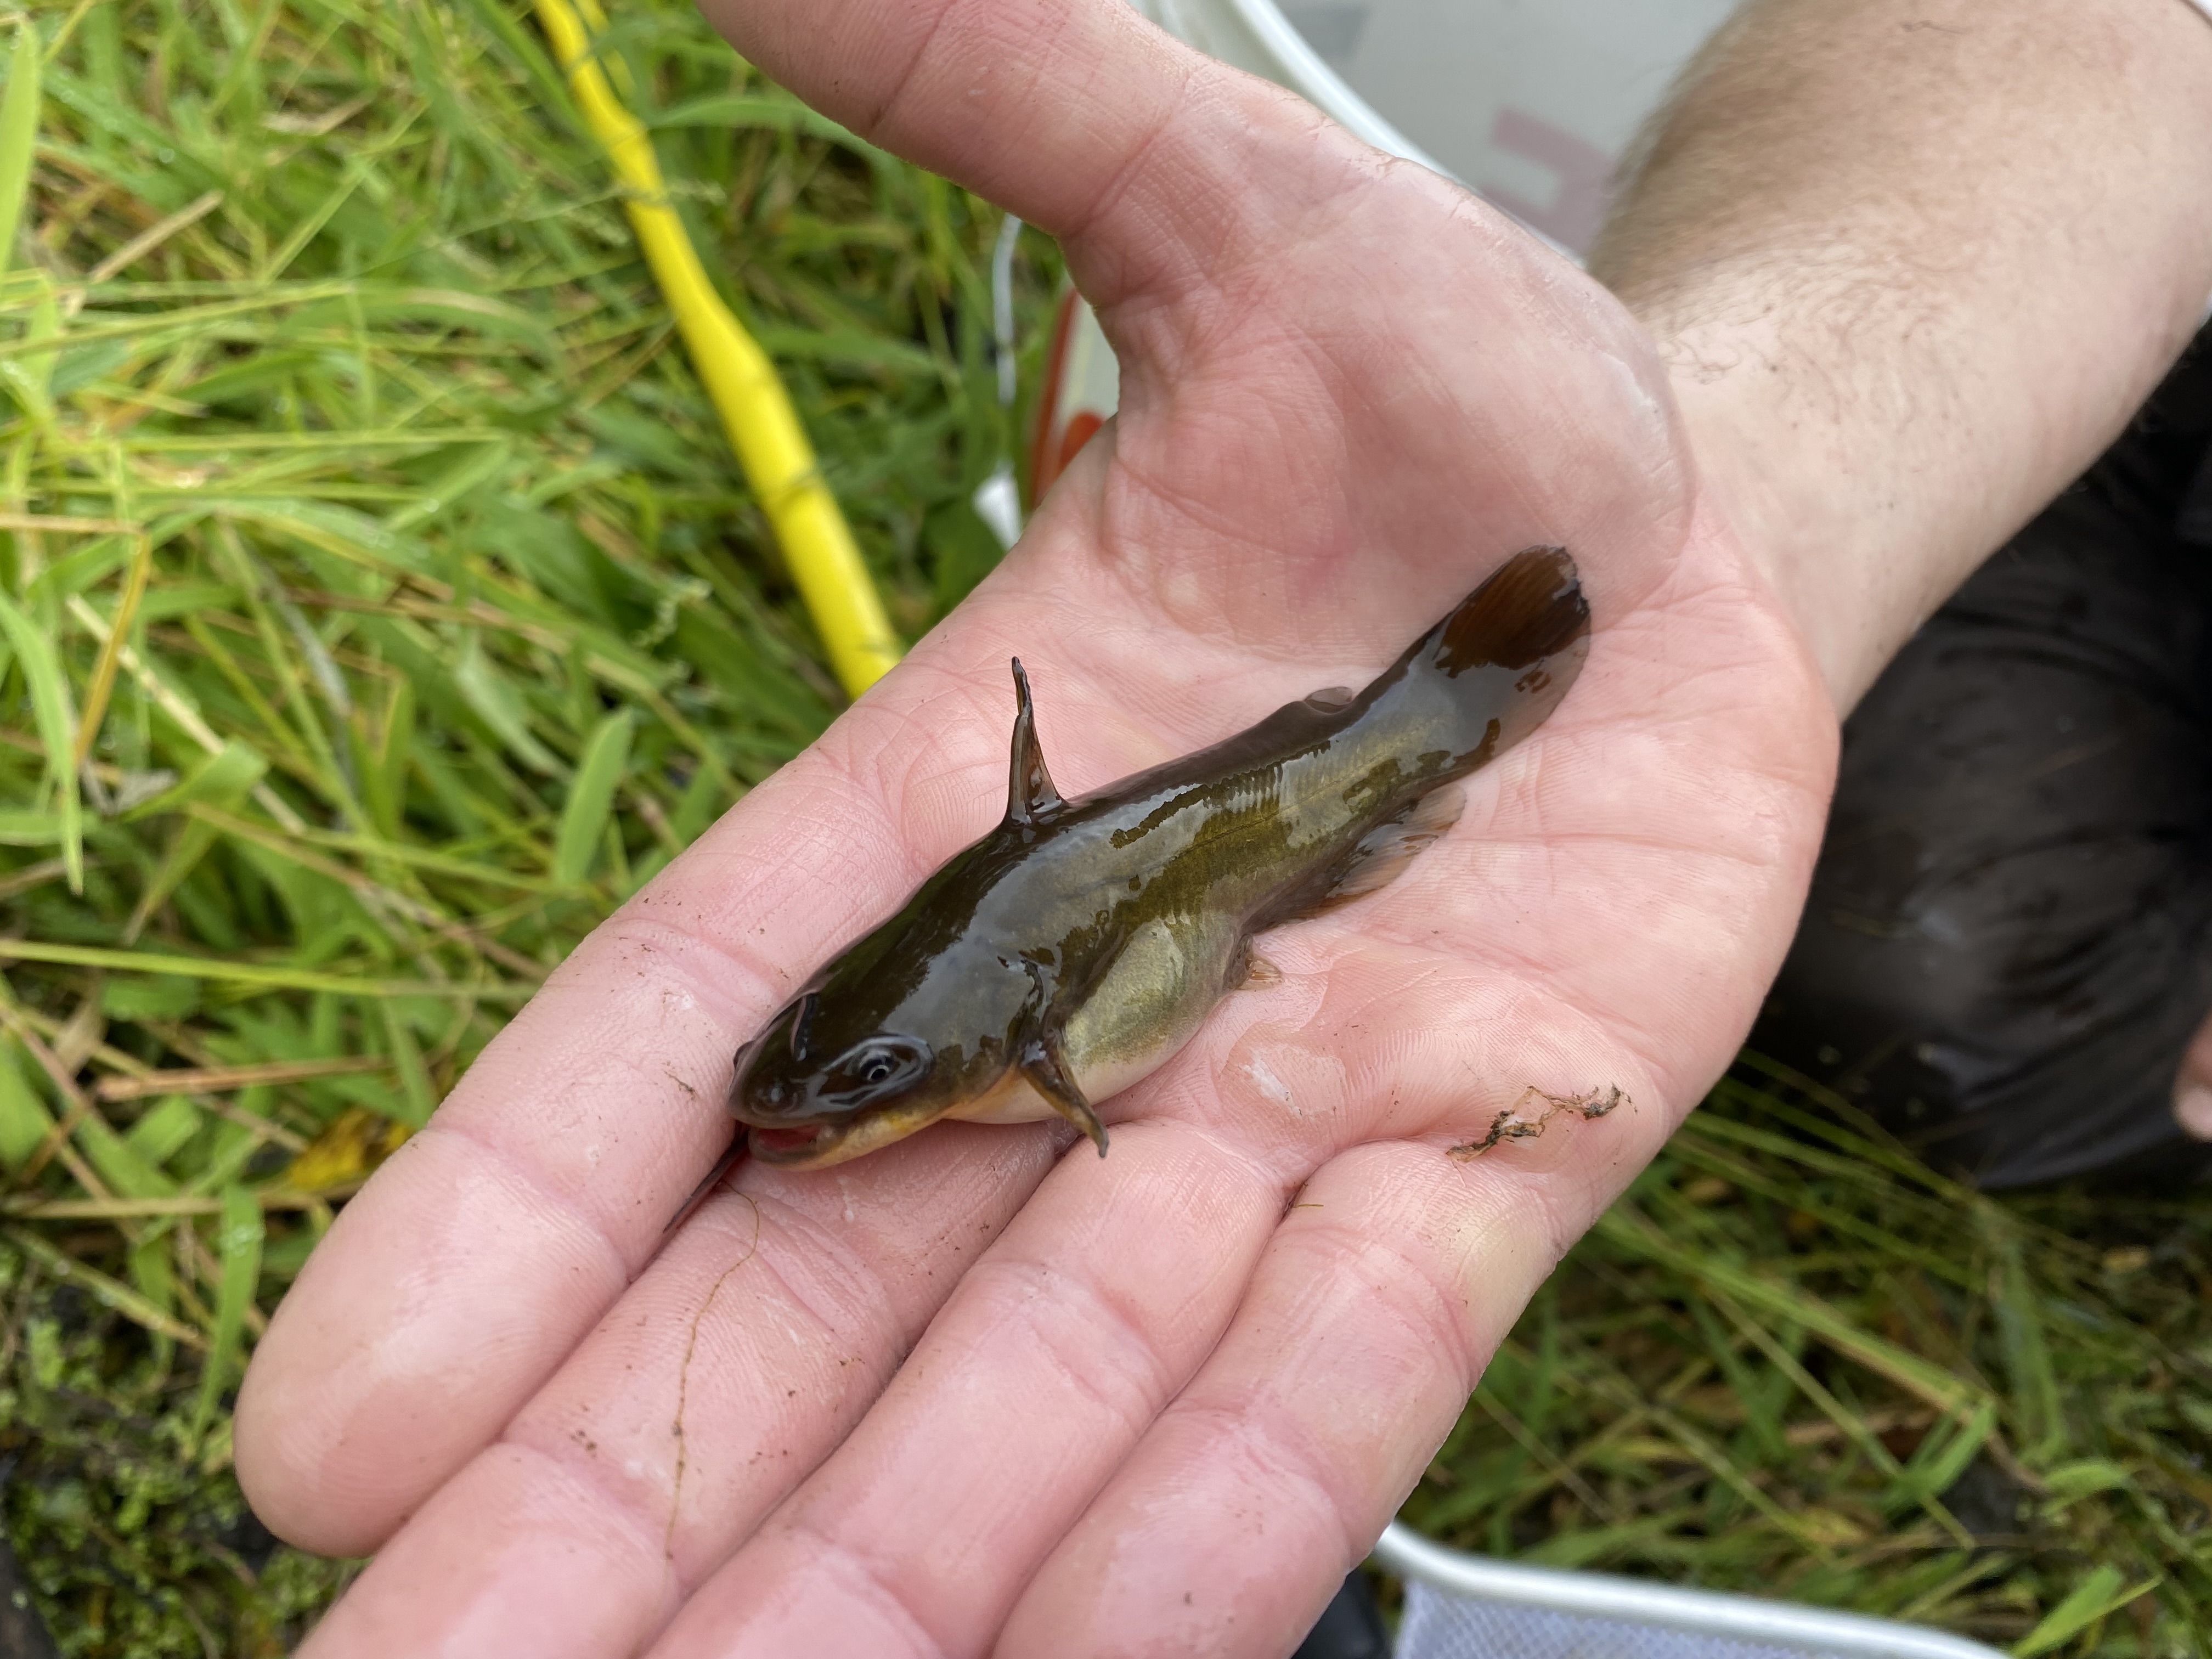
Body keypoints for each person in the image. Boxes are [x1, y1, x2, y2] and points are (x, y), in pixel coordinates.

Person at [230, 0, 2212, 1655]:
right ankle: (1551, 652)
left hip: (1296, 791)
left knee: (1984, 1011)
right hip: (2100, 432)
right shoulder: (938, 1033)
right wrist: (1752, 493)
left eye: (868, 1083)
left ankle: (1449, 723)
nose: (812, 1115)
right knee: (1940, 938)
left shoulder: (1035, 1032)